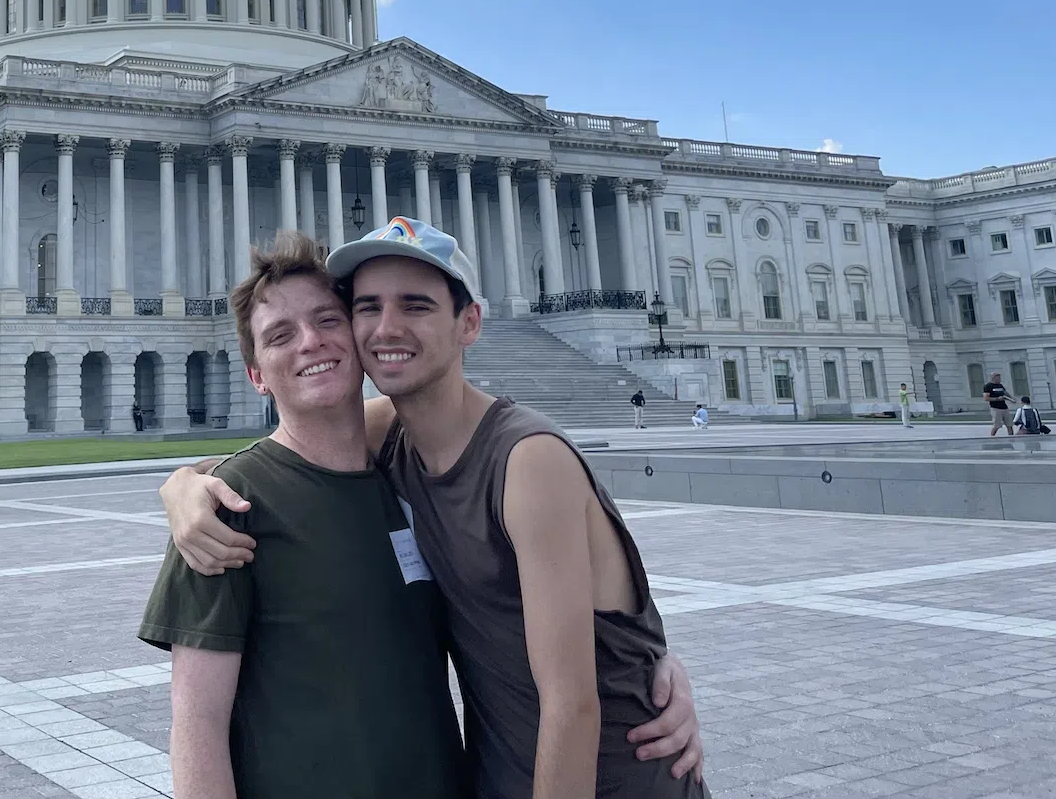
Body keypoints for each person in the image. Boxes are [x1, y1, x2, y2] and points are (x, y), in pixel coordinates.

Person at [163, 220, 708, 798]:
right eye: (368, 307)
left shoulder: (528, 461)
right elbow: (292, 448)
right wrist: (183, 486)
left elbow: (572, 705)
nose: (387, 327)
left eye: (416, 305)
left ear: (468, 322)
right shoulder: (393, 441)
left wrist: (654, 661)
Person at [139, 231, 468, 799]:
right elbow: (197, 722)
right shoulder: (229, 505)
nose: (310, 343)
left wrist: (645, 658)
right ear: (257, 374)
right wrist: (185, 482)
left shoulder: (409, 470)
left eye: (328, 320)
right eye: (280, 335)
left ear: (358, 337)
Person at [984, 372, 1014, 437]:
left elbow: (1005, 393)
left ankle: (1011, 437)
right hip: (995, 408)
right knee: (997, 425)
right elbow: (986, 398)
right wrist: (997, 399)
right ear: (993, 378)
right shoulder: (988, 386)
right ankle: (992, 437)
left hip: (1004, 407)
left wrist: (1011, 399)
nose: (999, 378)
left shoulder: (1000, 385)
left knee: (1009, 425)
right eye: (998, 377)